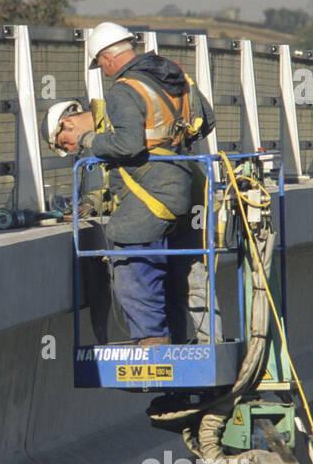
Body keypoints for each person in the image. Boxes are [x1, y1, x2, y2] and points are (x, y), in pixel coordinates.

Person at [41, 22, 217, 346]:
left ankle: (152, 343)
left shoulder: (123, 90)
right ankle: (207, 349)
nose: (104, 73)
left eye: (63, 142)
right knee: (186, 277)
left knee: (126, 239)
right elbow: (207, 118)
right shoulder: (171, 72)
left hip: (159, 190)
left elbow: (128, 145)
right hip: (189, 181)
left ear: (107, 58)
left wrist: (91, 140)